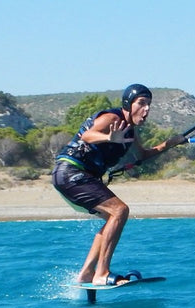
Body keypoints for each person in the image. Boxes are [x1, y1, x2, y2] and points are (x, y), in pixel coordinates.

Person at [52, 84, 185, 286]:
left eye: (149, 104)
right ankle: (102, 273)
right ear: (128, 104)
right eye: (141, 103)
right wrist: (108, 137)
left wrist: (170, 144)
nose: (146, 109)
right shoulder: (112, 119)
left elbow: (142, 155)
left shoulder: (130, 131)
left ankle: (87, 273)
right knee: (120, 210)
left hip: (79, 177)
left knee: (112, 217)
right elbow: (87, 136)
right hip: (71, 171)